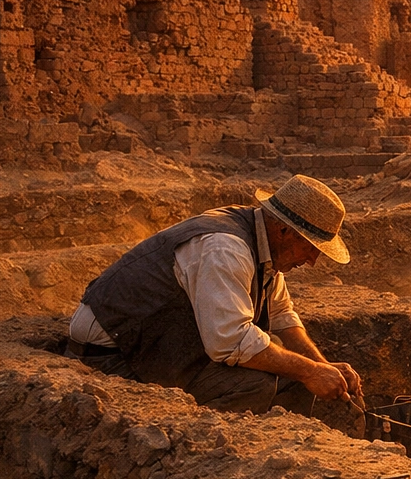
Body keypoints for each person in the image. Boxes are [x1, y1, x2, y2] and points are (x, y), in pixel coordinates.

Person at [66, 174, 364, 414]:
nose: (312, 260)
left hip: (161, 340)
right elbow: (231, 341)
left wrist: (321, 366)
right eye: (311, 249)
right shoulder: (226, 248)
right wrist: (310, 372)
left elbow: (282, 316)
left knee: (289, 369)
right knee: (256, 384)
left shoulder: (265, 244)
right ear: (285, 231)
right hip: (116, 353)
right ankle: (198, 447)